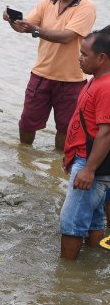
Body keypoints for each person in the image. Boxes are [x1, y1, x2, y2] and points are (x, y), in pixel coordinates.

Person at [3, 0, 96, 151]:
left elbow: (68, 37)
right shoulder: (48, 1)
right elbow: (25, 26)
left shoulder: (86, 7)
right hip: (41, 73)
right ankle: (24, 157)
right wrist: (12, 21)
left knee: (65, 127)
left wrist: (35, 30)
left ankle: (59, 166)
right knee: (27, 122)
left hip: (71, 79)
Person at [60, 28, 110, 260]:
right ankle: (90, 270)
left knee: (71, 223)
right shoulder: (96, 81)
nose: (79, 58)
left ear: (101, 58)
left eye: (84, 54)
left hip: (91, 164)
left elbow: (106, 133)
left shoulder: (106, 87)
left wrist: (88, 169)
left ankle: (65, 277)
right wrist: (69, 152)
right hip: (84, 158)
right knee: (93, 218)